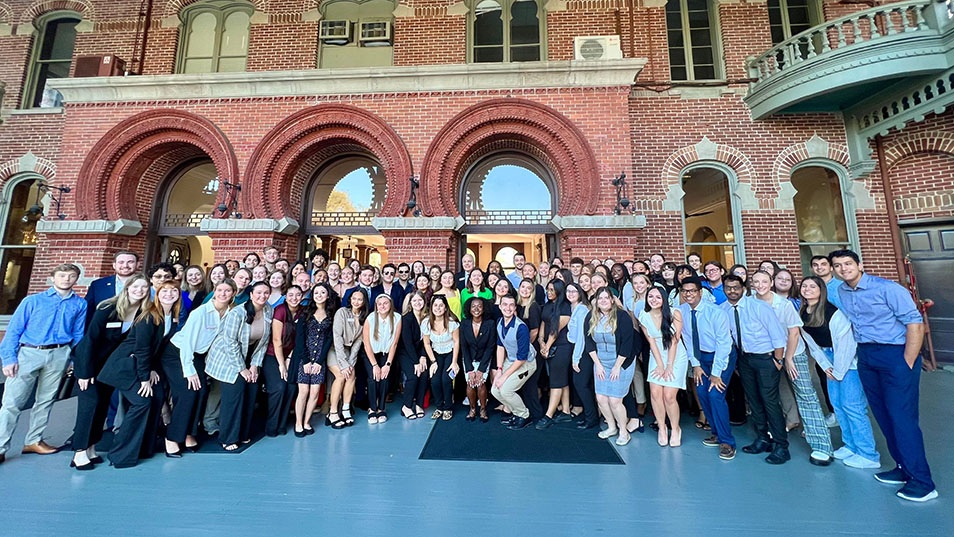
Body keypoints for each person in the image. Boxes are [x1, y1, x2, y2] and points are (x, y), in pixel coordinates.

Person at [832, 249, 936, 502]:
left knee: (902, 418)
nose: (844, 269)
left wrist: (908, 361)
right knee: (883, 415)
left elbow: (915, 323)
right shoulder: (842, 292)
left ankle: (923, 482)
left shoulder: (887, 289)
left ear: (859, 264)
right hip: (867, 356)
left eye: (848, 263)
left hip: (895, 355)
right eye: (838, 265)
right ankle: (902, 468)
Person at [0, 264, 86, 465]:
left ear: (77, 279)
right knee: (12, 403)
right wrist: (9, 358)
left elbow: (78, 335)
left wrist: (73, 360)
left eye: (72, 276)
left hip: (59, 353)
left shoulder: (79, 305)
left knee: (46, 400)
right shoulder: (32, 301)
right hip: (29, 352)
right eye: (62, 275)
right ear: (52, 277)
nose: (67, 279)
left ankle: (33, 441)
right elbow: (14, 330)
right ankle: (2, 446)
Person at [751, 270, 833, 466]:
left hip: (793, 355)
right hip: (768, 356)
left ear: (771, 282)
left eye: (764, 281)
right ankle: (779, 435)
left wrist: (787, 358)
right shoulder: (751, 301)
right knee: (778, 395)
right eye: (756, 281)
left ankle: (822, 446)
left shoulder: (784, 304)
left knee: (806, 397)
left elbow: (794, 333)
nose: (760, 285)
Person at [69, 273, 150, 470]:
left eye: (144, 287)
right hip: (90, 364)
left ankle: (91, 448)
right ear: (127, 287)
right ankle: (79, 452)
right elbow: (89, 341)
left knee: (102, 406)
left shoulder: (143, 311)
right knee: (89, 407)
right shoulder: (108, 307)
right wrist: (84, 373)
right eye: (135, 287)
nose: (139, 291)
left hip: (110, 368)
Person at [799, 276, 880, 470]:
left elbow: (846, 343)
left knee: (853, 407)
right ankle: (851, 446)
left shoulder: (832, 312)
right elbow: (812, 343)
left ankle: (868, 454)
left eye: (813, 286)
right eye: (804, 286)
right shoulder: (803, 312)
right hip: (829, 361)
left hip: (847, 361)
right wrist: (826, 366)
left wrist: (839, 370)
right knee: (838, 405)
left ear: (821, 290)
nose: (807, 289)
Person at [97, 281, 180, 467]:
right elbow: (141, 349)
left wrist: (151, 369)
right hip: (124, 367)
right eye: (164, 290)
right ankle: (120, 455)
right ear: (156, 293)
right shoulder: (149, 316)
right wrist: (144, 379)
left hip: (142, 366)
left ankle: (144, 448)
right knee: (142, 402)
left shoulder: (171, 318)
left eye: (174, 290)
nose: (169, 294)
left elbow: (156, 348)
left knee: (157, 397)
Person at [721, 275, 790, 464]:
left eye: (736, 287)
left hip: (766, 359)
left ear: (743, 288)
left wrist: (778, 359)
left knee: (770, 401)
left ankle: (781, 446)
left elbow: (778, 336)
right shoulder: (723, 310)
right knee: (753, 400)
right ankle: (762, 439)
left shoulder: (759, 307)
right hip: (744, 359)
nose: (732, 291)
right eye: (728, 288)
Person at [168, 279, 236, 453]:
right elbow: (188, 343)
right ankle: (172, 438)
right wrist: (189, 370)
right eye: (219, 290)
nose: (223, 294)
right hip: (177, 353)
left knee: (202, 392)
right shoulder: (201, 312)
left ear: (233, 293)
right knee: (188, 392)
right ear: (214, 291)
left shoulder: (231, 312)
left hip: (198, 355)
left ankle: (190, 433)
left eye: (227, 291)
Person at [205, 281, 273, 451]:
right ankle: (228, 438)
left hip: (249, 357)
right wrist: (241, 368)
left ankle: (242, 434)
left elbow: (263, 343)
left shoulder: (268, 310)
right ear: (251, 294)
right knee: (234, 395)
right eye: (258, 292)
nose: (262, 296)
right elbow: (230, 342)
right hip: (227, 358)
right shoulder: (238, 313)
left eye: (266, 293)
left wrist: (255, 366)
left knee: (251, 391)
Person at [677, 276, 736, 460]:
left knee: (715, 395)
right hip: (700, 357)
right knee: (702, 393)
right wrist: (695, 364)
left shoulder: (716, 312)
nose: (689, 294)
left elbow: (724, 344)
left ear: (700, 292)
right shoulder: (682, 311)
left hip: (721, 356)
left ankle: (727, 442)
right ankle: (716, 433)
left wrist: (716, 374)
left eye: (692, 291)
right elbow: (687, 338)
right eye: (685, 291)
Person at [583, 287, 635, 446]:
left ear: (612, 300)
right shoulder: (591, 316)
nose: (603, 301)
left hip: (621, 362)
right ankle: (611, 427)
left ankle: (623, 432)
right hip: (601, 363)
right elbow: (589, 343)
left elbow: (627, 344)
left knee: (614, 400)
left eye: (607, 298)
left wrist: (617, 366)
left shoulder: (622, 316)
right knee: (601, 398)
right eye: (600, 298)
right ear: (596, 301)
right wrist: (597, 365)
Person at [639, 287, 688, 447]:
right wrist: (659, 364)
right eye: (650, 296)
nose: (654, 300)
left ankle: (675, 429)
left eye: (658, 297)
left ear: (664, 299)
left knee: (669, 395)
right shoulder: (643, 315)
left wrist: (668, 366)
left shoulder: (675, 314)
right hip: (657, 355)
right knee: (655, 392)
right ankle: (661, 427)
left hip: (675, 357)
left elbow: (674, 341)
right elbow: (651, 342)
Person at [293, 283, 336, 435]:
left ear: (328, 295)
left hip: (319, 358)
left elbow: (329, 339)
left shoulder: (331, 315)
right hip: (304, 357)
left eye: (322, 292)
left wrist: (319, 361)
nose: (319, 295)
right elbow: (299, 339)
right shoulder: (305, 313)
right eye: (316, 292)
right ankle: (298, 422)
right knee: (303, 391)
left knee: (315, 392)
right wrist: (305, 361)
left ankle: (307, 421)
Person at [262, 284, 303, 436]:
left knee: (291, 387)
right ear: (285, 296)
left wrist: (290, 358)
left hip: (289, 356)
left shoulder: (302, 312)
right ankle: (271, 425)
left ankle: (282, 423)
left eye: (298, 295)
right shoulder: (280, 311)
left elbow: (299, 339)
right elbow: (276, 340)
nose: (294, 298)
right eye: (291, 295)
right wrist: (282, 364)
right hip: (273, 355)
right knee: (279, 388)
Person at [492, 295, 538, 430]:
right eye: (504, 304)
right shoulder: (500, 322)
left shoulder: (521, 328)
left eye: (511, 305)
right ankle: (517, 413)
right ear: (500, 307)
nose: (508, 308)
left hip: (526, 363)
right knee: (495, 390)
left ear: (515, 308)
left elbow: (522, 358)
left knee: (506, 390)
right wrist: (499, 370)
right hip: (510, 360)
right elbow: (500, 347)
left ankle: (524, 415)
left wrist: (504, 376)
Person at [536, 280, 573, 429]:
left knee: (556, 381)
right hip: (548, 345)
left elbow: (556, 329)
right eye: (547, 289)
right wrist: (540, 341)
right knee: (561, 378)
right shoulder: (548, 305)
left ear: (559, 290)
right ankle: (566, 411)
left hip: (562, 347)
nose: (549, 292)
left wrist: (547, 346)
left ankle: (548, 415)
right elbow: (544, 323)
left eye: (552, 290)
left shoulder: (564, 306)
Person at [328, 288, 367, 428]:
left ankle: (345, 409)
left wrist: (351, 363)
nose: (356, 302)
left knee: (351, 376)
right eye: (354, 298)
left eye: (360, 299)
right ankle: (332, 412)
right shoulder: (342, 312)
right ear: (350, 299)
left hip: (350, 352)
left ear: (364, 302)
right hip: (335, 350)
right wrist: (344, 364)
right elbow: (337, 338)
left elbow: (358, 342)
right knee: (340, 375)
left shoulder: (364, 316)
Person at [421, 294, 460, 420]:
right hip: (435, 353)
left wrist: (454, 362)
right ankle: (439, 407)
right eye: (435, 305)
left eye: (441, 305)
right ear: (431, 307)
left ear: (445, 308)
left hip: (450, 352)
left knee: (446, 379)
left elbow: (456, 342)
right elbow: (427, 343)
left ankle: (448, 407)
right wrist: (433, 361)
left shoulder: (452, 322)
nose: (438, 308)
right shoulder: (426, 322)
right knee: (435, 380)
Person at [460, 297, 495, 423]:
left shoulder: (490, 324)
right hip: (468, 358)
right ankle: (472, 409)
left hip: (484, 359)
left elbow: (490, 347)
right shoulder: (464, 323)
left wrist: (481, 369)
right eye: (473, 306)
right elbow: (464, 347)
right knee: (470, 382)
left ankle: (483, 409)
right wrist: (470, 369)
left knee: (480, 383)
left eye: (479, 306)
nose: (476, 309)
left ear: (484, 308)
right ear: (469, 309)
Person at [85, 250, 139, 325]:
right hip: (103, 332)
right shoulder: (98, 285)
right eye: (121, 262)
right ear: (114, 265)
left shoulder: (146, 285)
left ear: (137, 264)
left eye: (130, 262)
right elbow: (89, 312)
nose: (125, 265)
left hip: (135, 332)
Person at [399, 291, 429, 420]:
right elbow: (407, 342)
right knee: (412, 376)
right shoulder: (406, 318)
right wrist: (416, 362)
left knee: (424, 374)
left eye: (420, 300)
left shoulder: (427, 318)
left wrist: (422, 357)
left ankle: (419, 404)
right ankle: (406, 405)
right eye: (415, 301)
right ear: (410, 303)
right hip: (405, 352)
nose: (418, 303)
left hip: (420, 352)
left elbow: (427, 340)